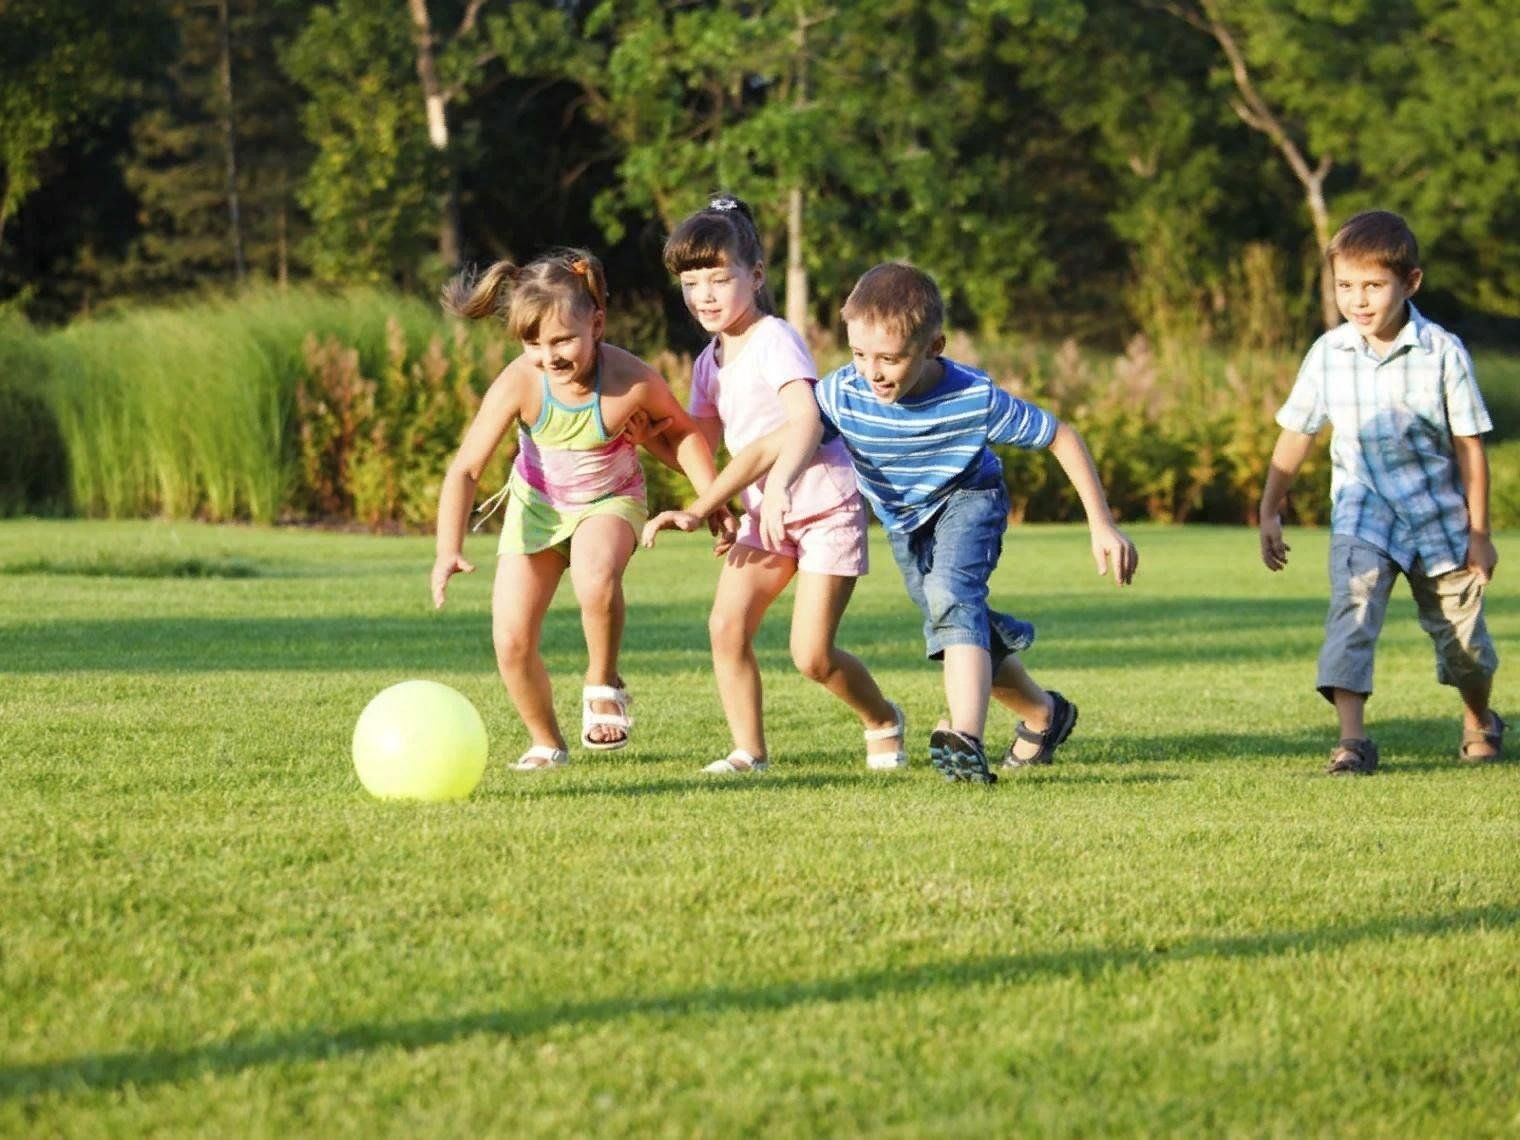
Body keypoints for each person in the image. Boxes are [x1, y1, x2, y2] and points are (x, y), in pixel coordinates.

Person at [646, 261, 1138, 783]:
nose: (873, 372)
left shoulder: (974, 397)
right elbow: (775, 443)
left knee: (952, 597)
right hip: (906, 522)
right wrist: (704, 507)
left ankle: (965, 739)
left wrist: (1101, 523)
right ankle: (1044, 713)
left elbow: (1060, 435)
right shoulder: (847, 391)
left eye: (890, 358)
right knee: (956, 622)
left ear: (934, 347)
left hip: (968, 499)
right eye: (859, 354)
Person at [644, 195, 906, 774]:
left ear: (755, 276)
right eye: (691, 282)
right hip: (766, 513)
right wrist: (643, 438)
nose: (704, 295)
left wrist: (780, 483)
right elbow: (699, 445)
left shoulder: (774, 339)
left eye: (719, 278)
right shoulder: (709, 360)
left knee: (811, 656)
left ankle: (882, 718)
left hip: (822, 504)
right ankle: (748, 752)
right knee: (726, 624)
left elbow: (806, 419)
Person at [431, 248, 718, 770]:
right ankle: (546, 741)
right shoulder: (521, 381)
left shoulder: (630, 379)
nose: (550, 356)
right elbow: (466, 469)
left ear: (597, 324)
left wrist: (712, 500)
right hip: (536, 510)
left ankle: (602, 679)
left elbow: (683, 438)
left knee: (594, 575)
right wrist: (448, 548)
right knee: (511, 640)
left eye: (563, 339)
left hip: (610, 501)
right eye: (533, 343)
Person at [1259, 209, 1502, 775]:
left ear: (1410, 282)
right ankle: (1353, 742)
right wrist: (1271, 508)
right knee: (1353, 610)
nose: (1359, 300)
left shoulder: (1442, 352)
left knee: (1464, 648)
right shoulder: (1328, 353)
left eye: (1373, 285)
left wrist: (1480, 533)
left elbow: (1470, 448)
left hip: (1438, 519)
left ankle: (1479, 717)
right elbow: (1297, 433)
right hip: (1363, 512)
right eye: (1346, 286)